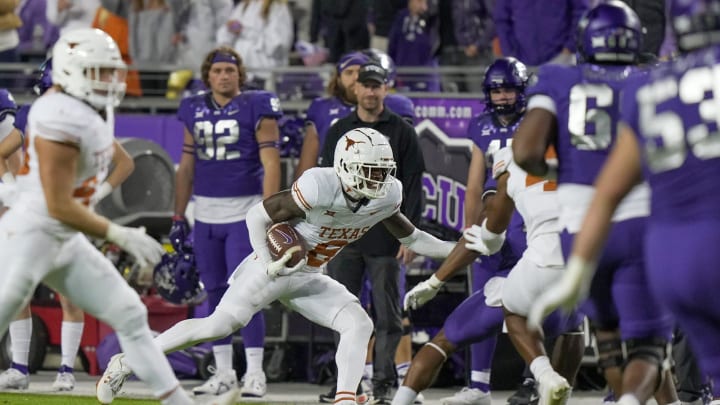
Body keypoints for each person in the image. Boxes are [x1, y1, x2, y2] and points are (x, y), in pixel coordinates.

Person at [97, 128, 456, 405]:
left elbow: (413, 239)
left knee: (358, 322)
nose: (378, 179)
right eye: (369, 170)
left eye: (382, 171)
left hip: (309, 275)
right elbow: (257, 216)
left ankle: (346, 397)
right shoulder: (319, 185)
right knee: (219, 324)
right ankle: (127, 362)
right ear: (346, 166)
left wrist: (461, 249)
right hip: (270, 267)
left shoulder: (388, 195)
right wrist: (270, 263)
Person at [0, 28, 237, 405]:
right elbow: (58, 204)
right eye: (100, 71)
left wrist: (96, 199)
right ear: (69, 71)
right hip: (29, 235)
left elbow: (80, 194)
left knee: (129, 312)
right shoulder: (54, 113)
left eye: (111, 71)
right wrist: (119, 232)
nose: (111, 79)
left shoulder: (87, 110)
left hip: (61, 237)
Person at [527, 0, 720, 403]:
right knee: (651, 345)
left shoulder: (644, 86)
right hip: (656, 226)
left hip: (606, 231)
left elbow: (531, 153)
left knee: (610, 337)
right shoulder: (641, 81)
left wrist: (578, 259)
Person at [0, 58, 133, 392]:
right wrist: (9, 185)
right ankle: (19, 367)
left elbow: (125, 162)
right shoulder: (35, 116)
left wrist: (96, 194)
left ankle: (66, 369)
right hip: (36, 215)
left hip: (69, 216)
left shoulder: (88, 120)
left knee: (68, 295)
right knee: (18, 291)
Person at [170, 46, 282, 398]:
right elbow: (186, 166)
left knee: (246, 294)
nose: (223, 76)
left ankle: (254, 373)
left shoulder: (256, 105)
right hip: (205, 214)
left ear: (239, 74)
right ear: (207, 74)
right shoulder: (192, 107)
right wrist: (178, 214)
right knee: (215, 294)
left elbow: (272, 164)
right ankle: (223, 373)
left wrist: (268, 213)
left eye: (229, 70)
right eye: (217, 70)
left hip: (243, 213)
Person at [318, 62, 426, 404]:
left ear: (386, 89)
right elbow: (325, 182)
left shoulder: (402, 131)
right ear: (355, 89)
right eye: (365, 85)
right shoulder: (338, 130)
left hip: (385, 237)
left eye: (376, 85)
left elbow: (413, 185)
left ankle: (383, 384)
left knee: (387, 315)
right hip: (343, 237)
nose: (370, 91)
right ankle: (345, 384)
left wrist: (409, 235)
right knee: (339, 312)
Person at [439, 57, 530, 405]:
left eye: (508, 89)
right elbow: (474, 183)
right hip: (494, 221)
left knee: (531, 301)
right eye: (496, 90)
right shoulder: (481, 126)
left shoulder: (537, 120)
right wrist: (469, 228)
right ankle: (478, 386)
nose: (503, 97)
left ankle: (532, 379)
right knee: (483, 299)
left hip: (529, 218)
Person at [295, 50, 414, 180]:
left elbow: (408, 160)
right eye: (349, 72)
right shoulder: (322, 107)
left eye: (360, 72)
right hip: (333, 184)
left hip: (380, 183)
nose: (355, 77)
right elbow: (307, 161)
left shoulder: (397, 106)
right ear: (338, 78)